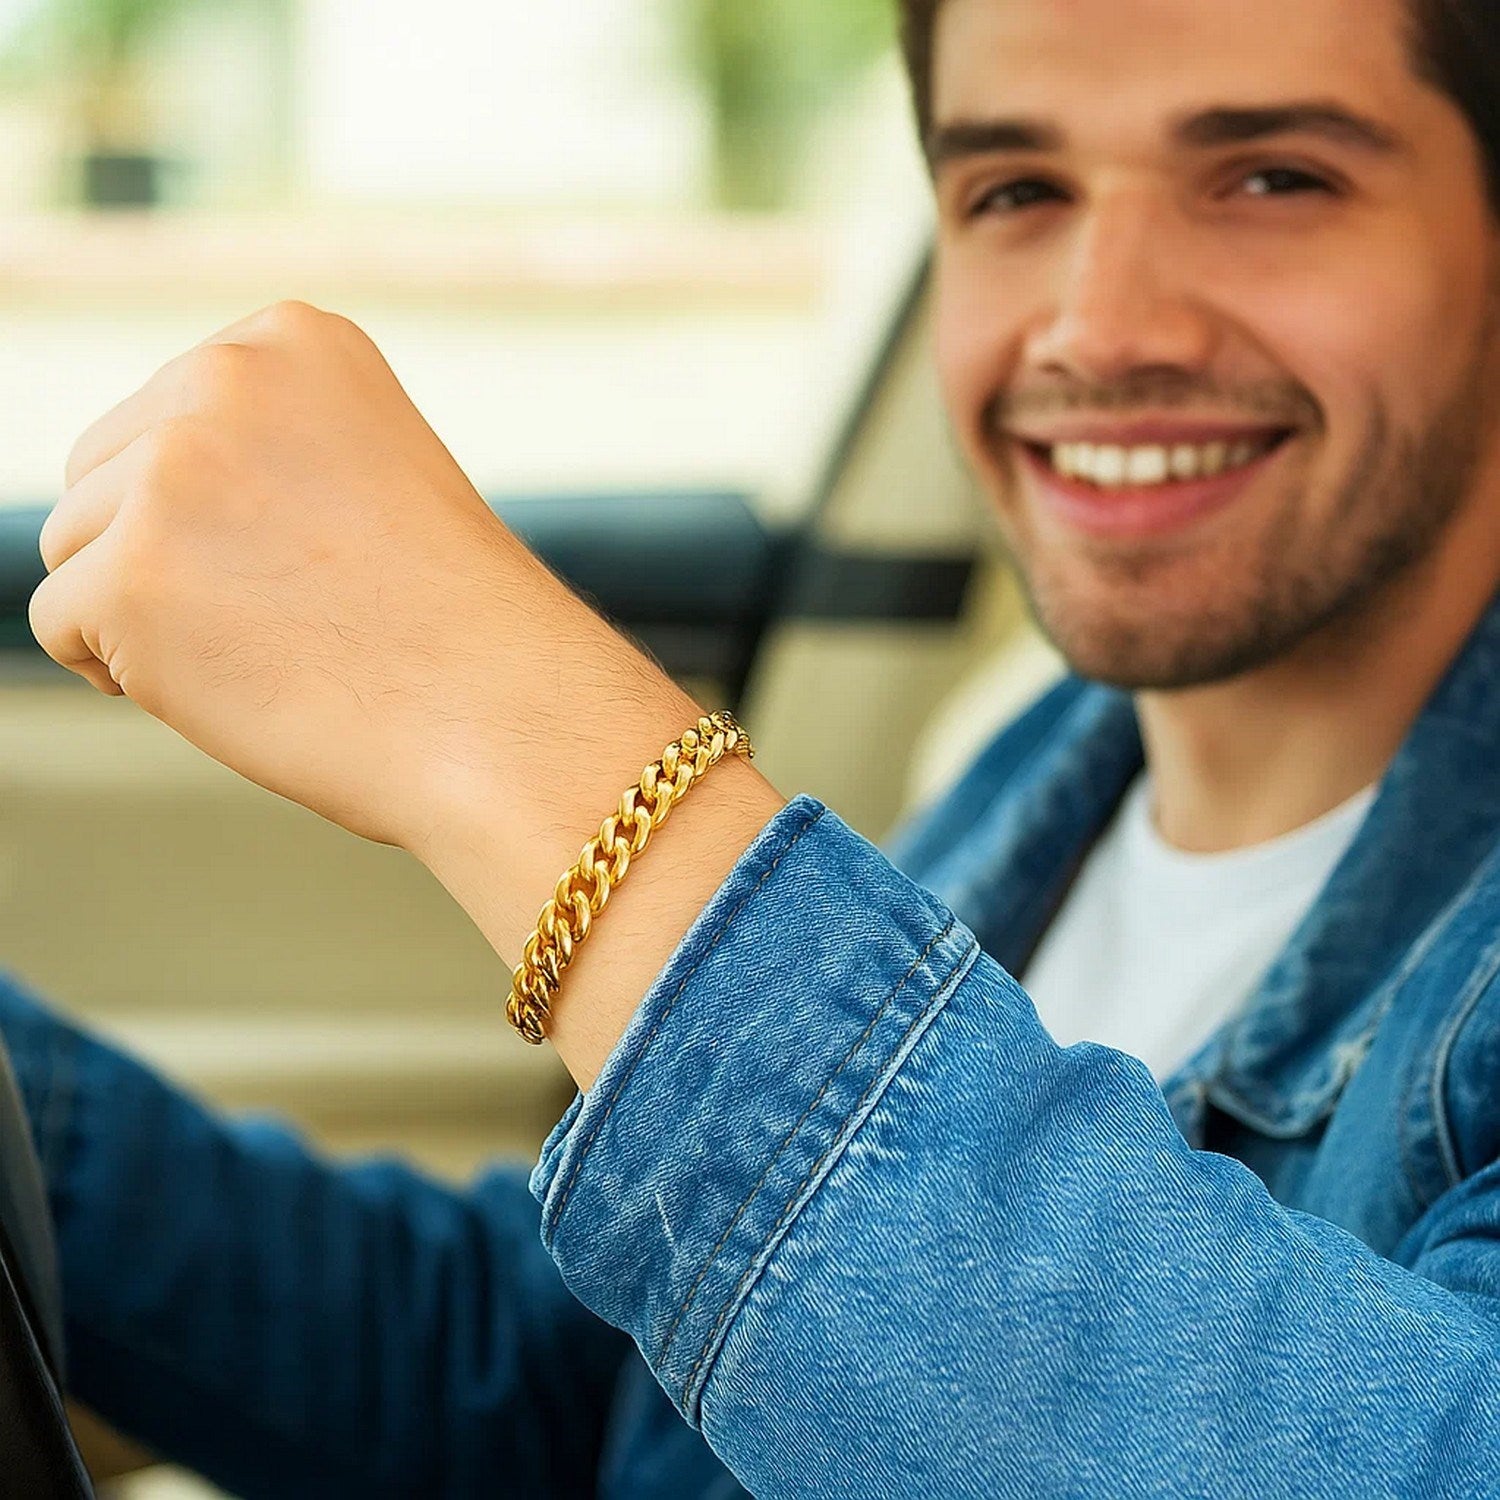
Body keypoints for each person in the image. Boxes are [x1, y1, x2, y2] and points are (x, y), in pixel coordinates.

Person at [8, 0, 1500, 1492]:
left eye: (1274, 180)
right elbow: (574, 1391)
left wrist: (510, 720)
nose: (1102, 326)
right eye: (1015, 191)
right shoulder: (1043, 774)